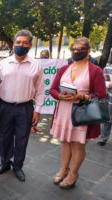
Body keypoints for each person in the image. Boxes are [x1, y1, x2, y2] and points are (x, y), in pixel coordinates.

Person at [49, 37, 106, 189]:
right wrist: (59, 96)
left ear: (88, 51)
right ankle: (63, 169)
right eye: (74, 49)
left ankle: (73, 173)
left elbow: (101, 94)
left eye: (80, 49)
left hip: (82, 113)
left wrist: (84, 96)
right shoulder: (63, 69)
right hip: (63, 111)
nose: (76, 51)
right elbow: (53, 89)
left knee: (78, 145)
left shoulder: (95, 70)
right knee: (65, 141)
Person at [0, 30, 45, 182]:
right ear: (13, 44)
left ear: (30, 45)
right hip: (5, 107)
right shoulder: (3, 63)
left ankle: (18, 166)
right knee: (4, 137)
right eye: (18, 42)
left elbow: (40, 90)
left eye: (25, 43)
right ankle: (5, 163)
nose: (21, 45)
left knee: (22, 138)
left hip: (25, 108)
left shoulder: (36, 65)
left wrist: (38, 110)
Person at [98, 54, 112, 146]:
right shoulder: (107, 69)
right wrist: (109, 84)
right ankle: (103, 138)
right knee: (107, 119)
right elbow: (102, 82)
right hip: (109, 98)